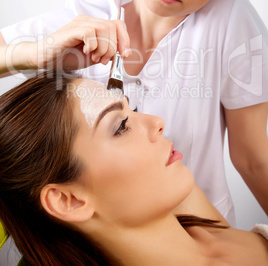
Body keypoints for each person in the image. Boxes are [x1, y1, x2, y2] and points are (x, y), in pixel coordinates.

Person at [0, 0, 268, 225]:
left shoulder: (231, 20)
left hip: (203, 240)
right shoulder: (83, 19)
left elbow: (253, 158)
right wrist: (34, 53)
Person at [0, 71, 267, 266]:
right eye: (121, 127)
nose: (157, 122)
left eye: (133, 108)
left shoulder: (195, 216)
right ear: (67, 200)